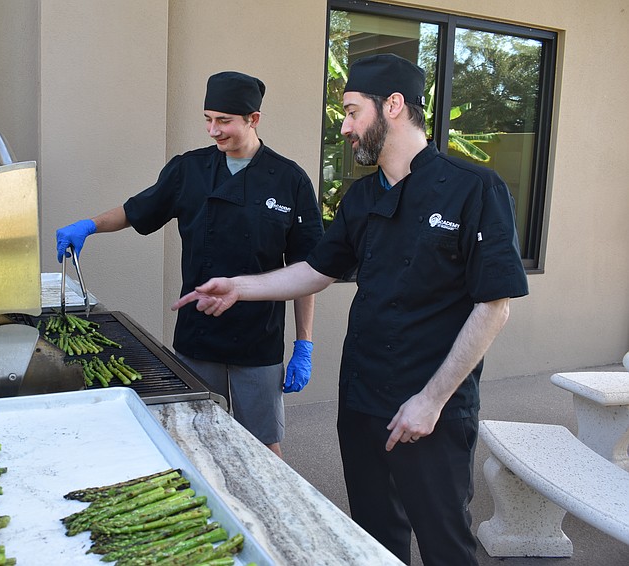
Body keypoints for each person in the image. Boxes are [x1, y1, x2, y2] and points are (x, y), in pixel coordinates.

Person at [172, 54, 529, 565]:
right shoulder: (361, 197)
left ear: (395, 107)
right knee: (371, 536)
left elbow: (494, 307)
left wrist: (430, 401)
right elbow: (317, 269)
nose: (344, 127)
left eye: (352, 111)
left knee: (445, 540)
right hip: (362, 399)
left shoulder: (475, 188)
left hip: (430, 406)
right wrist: (239, 288)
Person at [55, 71, 324, 458]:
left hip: (258, 338)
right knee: (193, 438)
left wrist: (304, 342)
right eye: (208, 118)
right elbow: (136, 210)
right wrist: (90, 226)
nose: (213, 130)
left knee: (262, 446)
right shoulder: (189, 170)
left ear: (254, 119)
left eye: (224, 121)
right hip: (199, 332)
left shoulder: (289, 180)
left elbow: (307, 271)